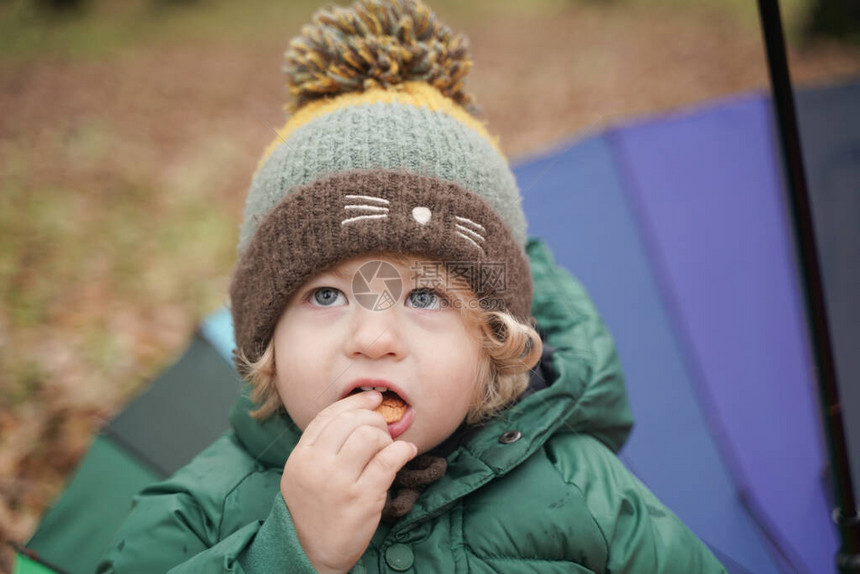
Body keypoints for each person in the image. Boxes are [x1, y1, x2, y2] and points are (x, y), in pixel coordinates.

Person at [97, 0, 727, 572]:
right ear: (268, 346)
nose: (373, 337)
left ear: (494, 346)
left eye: (426, 297)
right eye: (326, 295)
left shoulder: (585, 492)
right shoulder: (199, 512)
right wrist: (291, 553)